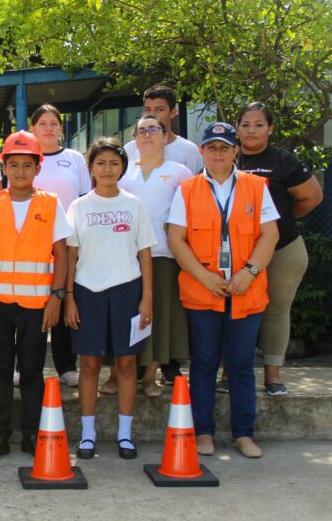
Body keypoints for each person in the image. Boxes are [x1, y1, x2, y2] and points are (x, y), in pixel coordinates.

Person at [168, 122, 279, 459]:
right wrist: (204, 277)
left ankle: (243, 433)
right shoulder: (186, 189)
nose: (218, 153)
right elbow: (176, 238)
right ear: (202, 151)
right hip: (205, 292)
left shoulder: (257, 186)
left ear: (235, 151)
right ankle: (203, 432)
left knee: (242, 364)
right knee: (203, 362)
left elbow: (269, 234)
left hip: (247, 290)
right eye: (211, 147)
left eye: (224, 147)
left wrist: (250, 271)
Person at [0, 131, 71, 464]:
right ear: (4, 167)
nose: (20, 172)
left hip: (37, 305)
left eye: (27, 165)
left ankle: (31, 434)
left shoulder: (50, 204)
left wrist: (57, 297)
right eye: (13, 165)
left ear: (37, 167)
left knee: (31, 371)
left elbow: (62, 253)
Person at [215, 102, 322, 396]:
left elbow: (311, 197)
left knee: (275, 309)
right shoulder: (225, 158)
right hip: (234, 250)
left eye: (259, 124)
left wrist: (283, 221)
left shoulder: (283, 161)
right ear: (236, 127)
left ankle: (273, 376)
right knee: (231, 310)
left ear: (270, 129)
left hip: (282, 248)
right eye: (245, 124)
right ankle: (228, 373)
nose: (251, 130)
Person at [65, 137, 156, 461]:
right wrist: (70, 298)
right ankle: (88, 435)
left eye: (114, 163)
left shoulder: (134, 205)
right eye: (100, 163)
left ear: (122, 167)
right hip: (87, 292)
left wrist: (147, 299)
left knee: (127, 363)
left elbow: (145, 254)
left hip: (127, 291)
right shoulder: (78, 206)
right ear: (90, 167)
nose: (107, 169)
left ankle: (124, 435)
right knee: (89, 364)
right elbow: (71, 257)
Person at [118, 115, 192, 398]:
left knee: (159, 316)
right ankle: (124, 374)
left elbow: (187, 212)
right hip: (126, 257)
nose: (147, 135)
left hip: (163, 254)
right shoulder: (124, 172)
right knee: (129, 315)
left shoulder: (180, 171)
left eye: (153, 129)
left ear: (164, 135)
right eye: (141, 131)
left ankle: (150, 377)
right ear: (135, 138)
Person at [29, 103, 92, 388]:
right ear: (33, 128)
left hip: (68, 241)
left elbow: (84, 198)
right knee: (33, 303)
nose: (48, 128)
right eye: (42, 123)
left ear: (61, 129)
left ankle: (66, 366)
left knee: (65, 297)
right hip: (33, 239)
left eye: (53, 123)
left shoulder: (74, 158)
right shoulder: (26, 157)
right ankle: (27, 365)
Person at [123, 85, 202, 174]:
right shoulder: (130, 149)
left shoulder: (189, 150)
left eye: (159, 110)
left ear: (173, 113)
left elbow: (196, 184)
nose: (152, 115)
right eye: (148, 110)